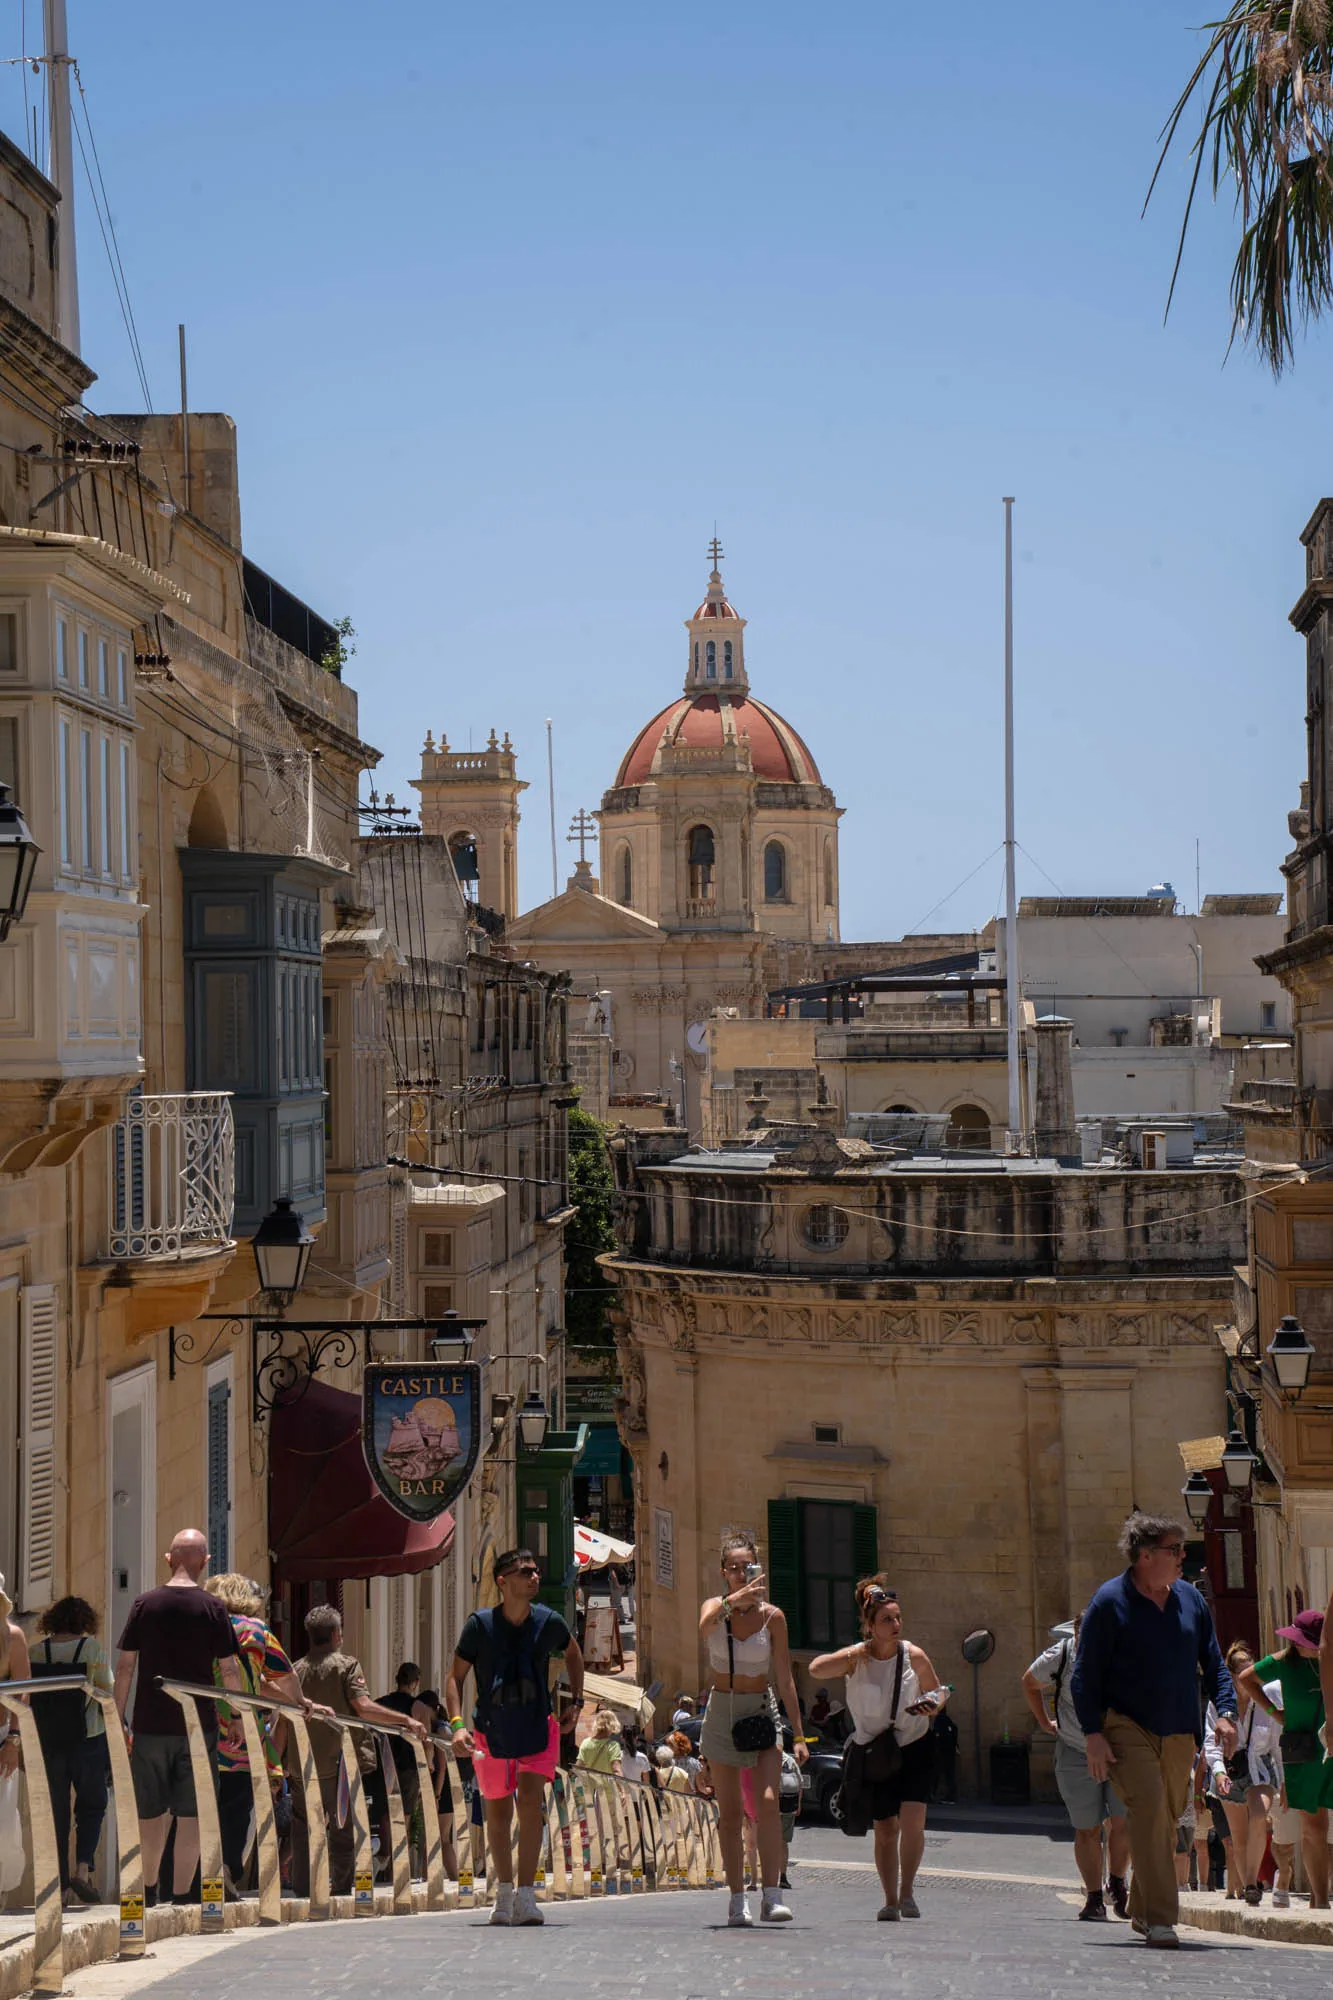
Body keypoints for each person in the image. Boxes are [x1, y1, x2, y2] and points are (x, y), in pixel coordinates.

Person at [1071, 1511, 1237, 1950]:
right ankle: (1163, 1918)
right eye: (1174, 1550)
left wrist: (1226, 1713)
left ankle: (1143, 1909)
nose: (1183, 1557)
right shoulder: (1109, 1602)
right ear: (1144, 1556)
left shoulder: (1190, 1600)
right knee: (1146, 1809)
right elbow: (1084, 1675)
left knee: (1161, 1823)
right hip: (1125, 1725)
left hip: (1181, 1728)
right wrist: (1092, 1733)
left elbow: (1215, 1664)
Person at [444, 1546, 585, 1929]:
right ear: (504, 1582)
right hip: (490, 1731)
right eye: (526, 1572)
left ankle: (527, 1895)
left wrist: (577, 1700)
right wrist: (456, 1725)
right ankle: (503, 1892)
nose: (535, 1577)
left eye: (536, 1570)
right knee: (498, 1814)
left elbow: (573, 1654)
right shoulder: (480, 1626)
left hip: (538, 1727)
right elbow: (454, 1677)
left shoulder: (549, 1621)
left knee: (530, 1805)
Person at [113, 1528, 244, 1905]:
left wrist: (118, 1718)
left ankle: (148, 1892)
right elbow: (230, 1669)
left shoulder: (144, 1604)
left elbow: (125, 1667)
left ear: (168, 1559)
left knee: (149, 1812)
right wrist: (234, 1714)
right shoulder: (213, 1608)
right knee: (194, 1812)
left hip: (150, 1724)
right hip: (197, 1725)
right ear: (205, 1562)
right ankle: (184, 1896)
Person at [810, 1577, 948, 1922]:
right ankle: (889, 1899)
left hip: (915, 1745)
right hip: (876, 1753)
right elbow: (816, 1668)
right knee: (886, 1828)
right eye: (888, 1619)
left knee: (914, 1821)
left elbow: (938, 1692)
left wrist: (932, 1704)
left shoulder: (913, 1654)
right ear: (870, 1625)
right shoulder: (857, 1658)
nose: (896, 1625)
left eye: (898, 1618)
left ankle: (908, 1893)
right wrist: (852, 1653)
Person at [697, 1528, 808, 1927]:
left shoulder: (773, 1617)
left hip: (761, 1711)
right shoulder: (714, 1606)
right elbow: (706, 1625)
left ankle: (772, 1895)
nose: (743, 1574)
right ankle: (736, 1899)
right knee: (729, 1814)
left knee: (767, 1803)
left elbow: (785, 1677)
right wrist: (731, 1602)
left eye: (749, 1567)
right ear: (724, 1572)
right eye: (735, 1568)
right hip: (723, 1711)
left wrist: (798, 1734)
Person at [290, 1605, 426, 1898]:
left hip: (301, 1762)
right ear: (337, 1634)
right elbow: (362, 1707)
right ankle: (340, 1889)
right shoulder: (347, 1666)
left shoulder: (294, 1669)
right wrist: (405, 1719)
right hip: (340, 1761)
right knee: (343, 1825)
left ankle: (303, 1890)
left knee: (303, 1827)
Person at [203, 1573, 312, 1895]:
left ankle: (181, 1880)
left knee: (196, 1805)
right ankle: (226, 1869)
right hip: (240, 1731)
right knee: (236, 1807)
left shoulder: (204, 1626)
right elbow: (282, 1674)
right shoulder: (256, 1630)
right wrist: (300, 1703)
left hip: (201, 1725)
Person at [1021, 1615, 1130, 1921]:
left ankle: (1118, 1884)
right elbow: (1029, 1682)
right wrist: (1044, 1723)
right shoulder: (1063, 1653)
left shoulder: (1122, 1652)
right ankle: (1094, 1896)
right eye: (1084, 1636)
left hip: (1118, 1752)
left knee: (1123, 1822)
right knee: (1087, 1828)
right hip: (1075, 1751)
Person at [1237, 1607, 1333, 1909]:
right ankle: (1320, 1900)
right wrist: (1273, 1712)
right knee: (1314, 1827)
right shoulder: (1284, 1662)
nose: (1299, 1645)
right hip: (1302, 1750)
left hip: (1331, 1746)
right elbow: (1246, 1678)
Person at [30, 1597, 113, 1906]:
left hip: (50, 1742)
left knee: (56, 1813)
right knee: (92, 1805)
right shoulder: (92, 1649)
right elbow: (106, 1691)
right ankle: (82, 1869)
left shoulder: (36, 1651)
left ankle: (60, 1887)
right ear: (85, 1620)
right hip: (88, 1738)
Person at [1203, 1639, 1282, 1906]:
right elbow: (1210, 1744)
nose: (1250, 1678)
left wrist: (1284, 1781)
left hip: (1260, 1769)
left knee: (1259, 1816)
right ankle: (1250, 1884)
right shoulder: (1218, 1704)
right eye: (1244, 1674)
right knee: (1238, 1837)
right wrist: (1218, 1773)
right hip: (1230, 1771)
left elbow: (1276, 1742)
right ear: (1233, 1676)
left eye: (1253, 1672)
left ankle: (1250, 1883)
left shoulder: (1267, 1698)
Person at [576, 1707, 624, 1777]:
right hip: (607, 1787)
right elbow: (616, 1771)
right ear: (612, 1725)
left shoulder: (585, 1743)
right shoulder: (613, 1745)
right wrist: (623, 1788)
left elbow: (578, 1767)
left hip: (590, 1787)